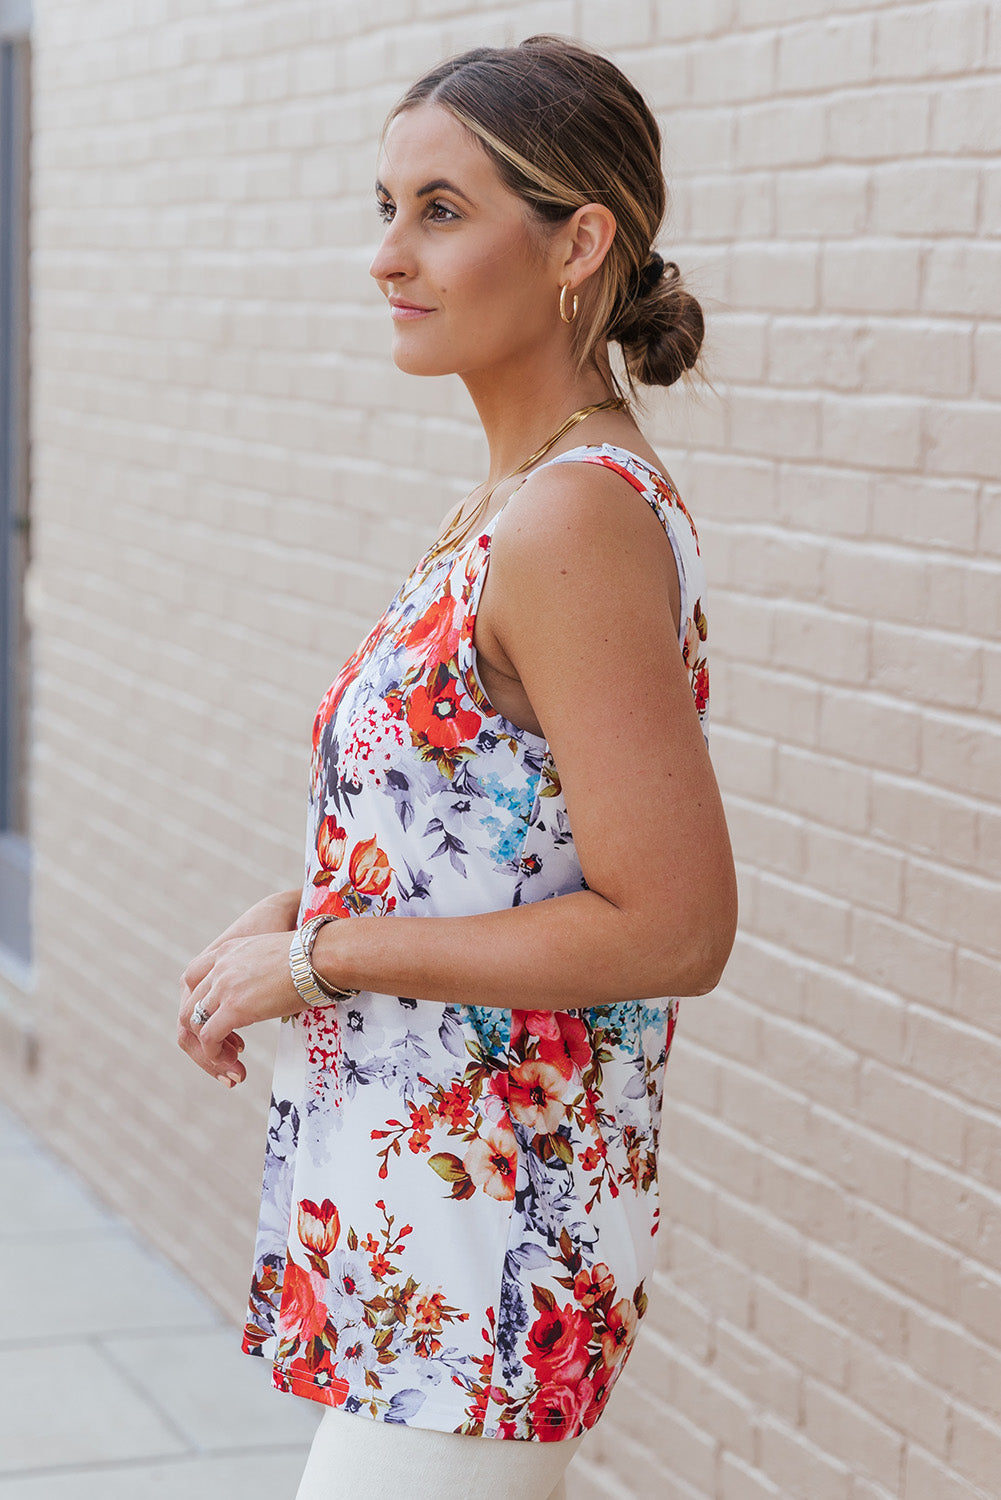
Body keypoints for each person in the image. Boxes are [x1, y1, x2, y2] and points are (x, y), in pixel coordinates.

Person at [177, 34, 737, 1500]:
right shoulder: (506, 502)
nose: (387, 256)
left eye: (440, 209)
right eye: (385, 207)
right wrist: (286, 911)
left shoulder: (571, 521)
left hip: (492, 1247)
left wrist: (324, 958)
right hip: (424, 1228)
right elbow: (477, 829)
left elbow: (670, 924)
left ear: (578, 244)